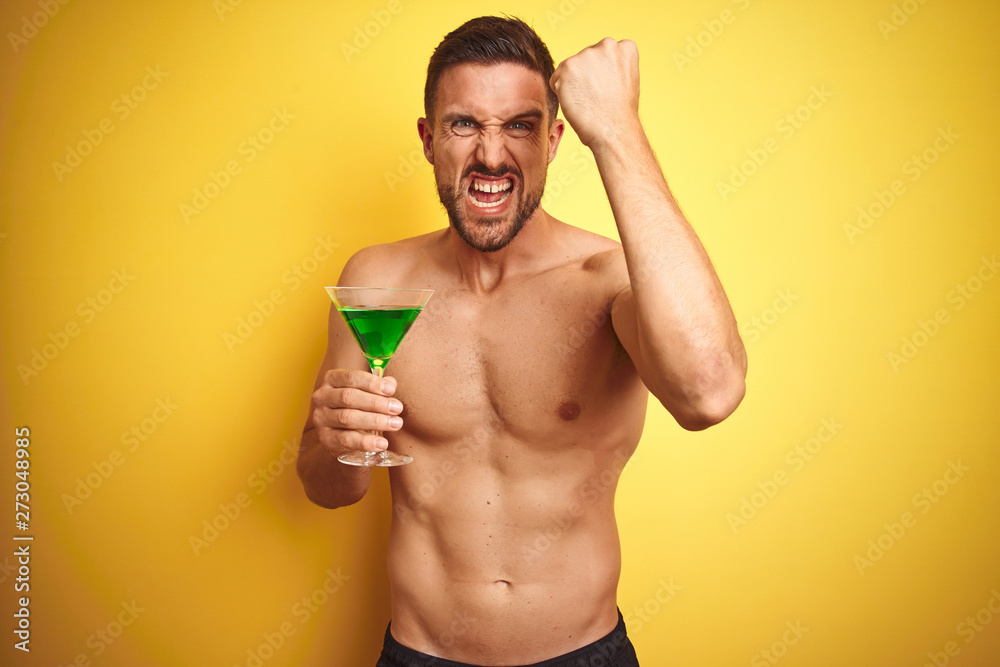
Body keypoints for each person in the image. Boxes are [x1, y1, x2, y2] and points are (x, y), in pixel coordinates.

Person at [297, 15, 747, 667]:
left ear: (557, 138)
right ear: (428, 139)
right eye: (463, 124)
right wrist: (337, 445)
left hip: (583, 653)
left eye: (519, 125)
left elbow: (709, 392)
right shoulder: (376, 281)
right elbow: (326, 485)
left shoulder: (609, 282)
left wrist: (618, 128)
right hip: (419, 655)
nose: (490, 154)